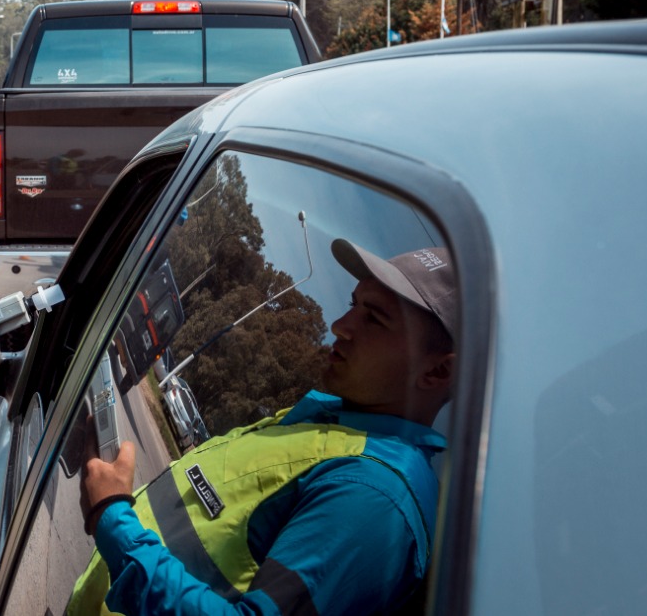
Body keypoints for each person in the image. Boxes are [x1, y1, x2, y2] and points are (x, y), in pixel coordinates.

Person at [71, 241, 458, 615]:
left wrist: (112, 517)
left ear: (438, 370)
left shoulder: (377, 498)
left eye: (375, 317)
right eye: (353, 304)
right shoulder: (330, 426)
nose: (340, 326)